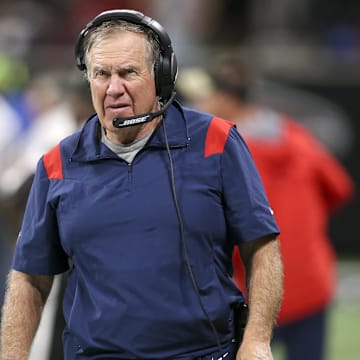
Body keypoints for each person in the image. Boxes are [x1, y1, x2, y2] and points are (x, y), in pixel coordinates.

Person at [0, 10, 283, 360]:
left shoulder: (216, 141)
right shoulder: (57, 164)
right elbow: (30, 277)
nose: (113, 88)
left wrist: (256, 340)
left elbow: (263, 247)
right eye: (101, 74)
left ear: (161, 77)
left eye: (128, 72)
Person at [181, 55, 355, 360]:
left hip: (258, 292)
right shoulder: (296, 135)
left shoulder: (218, 155)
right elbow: (339, 189)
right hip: (312, 280)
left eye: (204, 94)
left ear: (226, 98)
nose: (198, 103)